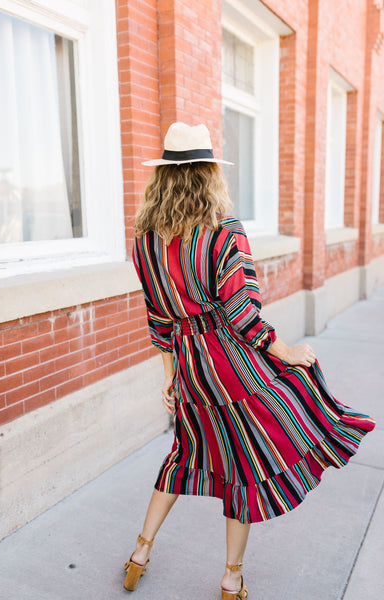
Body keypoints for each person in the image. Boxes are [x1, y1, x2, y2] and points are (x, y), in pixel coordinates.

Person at [124, 122, 376, 599]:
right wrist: (288, 352)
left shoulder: (143, 241)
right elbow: (243, 313)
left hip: (190, 367)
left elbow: (159, 319)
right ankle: (231, 578)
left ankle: (140, 552)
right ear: (208, 175)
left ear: (163, 179)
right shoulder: (223, 232)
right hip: (229, 364)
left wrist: (172, 377)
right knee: (248, 461)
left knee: (185, 452)